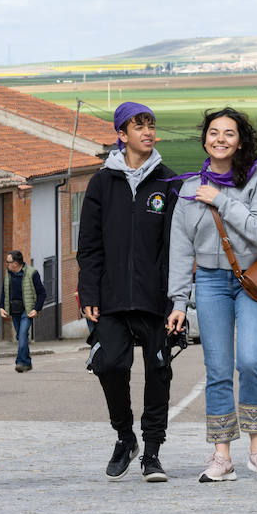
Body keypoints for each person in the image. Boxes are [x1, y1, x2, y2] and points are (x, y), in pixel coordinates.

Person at [168, 107, 257, 484]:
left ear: (240, 141)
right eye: (214, 132)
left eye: (229, 133)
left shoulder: (256, 181)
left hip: (252, 280)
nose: (220, 138)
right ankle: (222, 455)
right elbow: (181, 251)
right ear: (205, 139)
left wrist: (221, 200)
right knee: (217, 370)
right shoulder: (188, 190)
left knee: (250, 361)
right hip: (212, 285)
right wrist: (179, 302)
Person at [78, 101, 181, 482]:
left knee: (158, 370)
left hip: (156, 300)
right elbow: (89, 245)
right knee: (109, 364)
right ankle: (125, 436)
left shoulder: (169, 183)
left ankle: (152, 452)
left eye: (151, 125)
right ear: (122, 135)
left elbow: (176, 246)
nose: (148, 132)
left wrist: (177, 301)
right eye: (139, 126)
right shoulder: (102, 183)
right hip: (111, 298)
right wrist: (89, 292)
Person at [0, 250, 46, 373]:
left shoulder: (32, 273)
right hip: (14, 310)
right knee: (22, 337)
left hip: (27, 310)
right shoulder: (8, 274)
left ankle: (20, 362)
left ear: (15, 263)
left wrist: (36, 309)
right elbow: (4, 291)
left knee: (22, 335)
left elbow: (42, 293)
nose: (7, 264)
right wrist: (2, 307)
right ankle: (27, 362)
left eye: (8, 262)